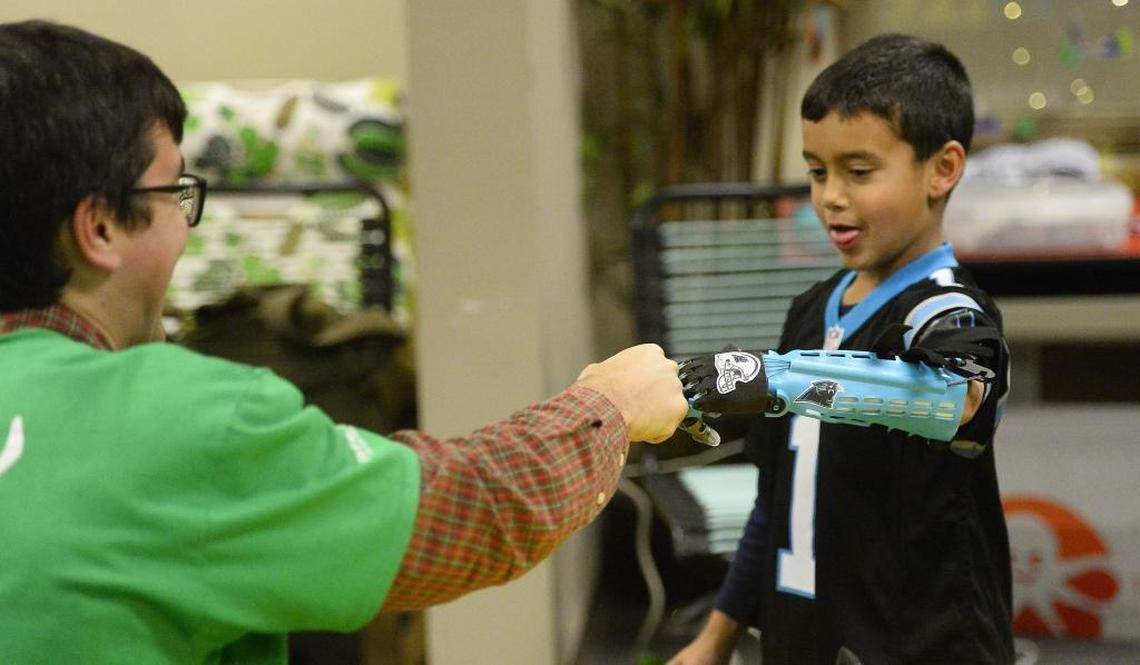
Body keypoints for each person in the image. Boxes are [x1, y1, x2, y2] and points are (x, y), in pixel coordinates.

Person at [0, 20, 689, 663]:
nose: (188, 226)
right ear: (99, 228)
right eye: (175, 193)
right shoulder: (186, 421)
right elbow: (471, 509)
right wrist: (611, 405)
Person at [670, 34, 1013, 664]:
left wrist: (769, 380)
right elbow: (775, 500)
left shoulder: (948, 310)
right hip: (802, 640)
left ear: (942, 169)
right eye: (817, 171)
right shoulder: (809, 309)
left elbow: (954, 398)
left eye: (859, 172)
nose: (831, 197)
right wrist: (715, 637)